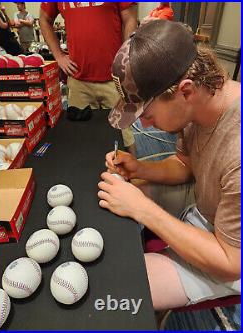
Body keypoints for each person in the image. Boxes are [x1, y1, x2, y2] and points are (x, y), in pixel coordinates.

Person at [98, 20, 241, 310]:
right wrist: (139, 169)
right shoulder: (197, 106)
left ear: (185, 91)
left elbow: (231, 263)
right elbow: (184, 164)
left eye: (147, 113)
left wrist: (142, 209)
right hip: (208, 209)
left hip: (230, 254)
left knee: (119, 288)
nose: (142, 124)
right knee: (126, 189)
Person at [39, 2, 138, 155]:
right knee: (81, 138)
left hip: (114, 79)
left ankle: (132, 177)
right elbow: (44, 19)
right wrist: (58, 56)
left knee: (124, 135)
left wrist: (125, 58)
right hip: (79, 81)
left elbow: (130, 18)